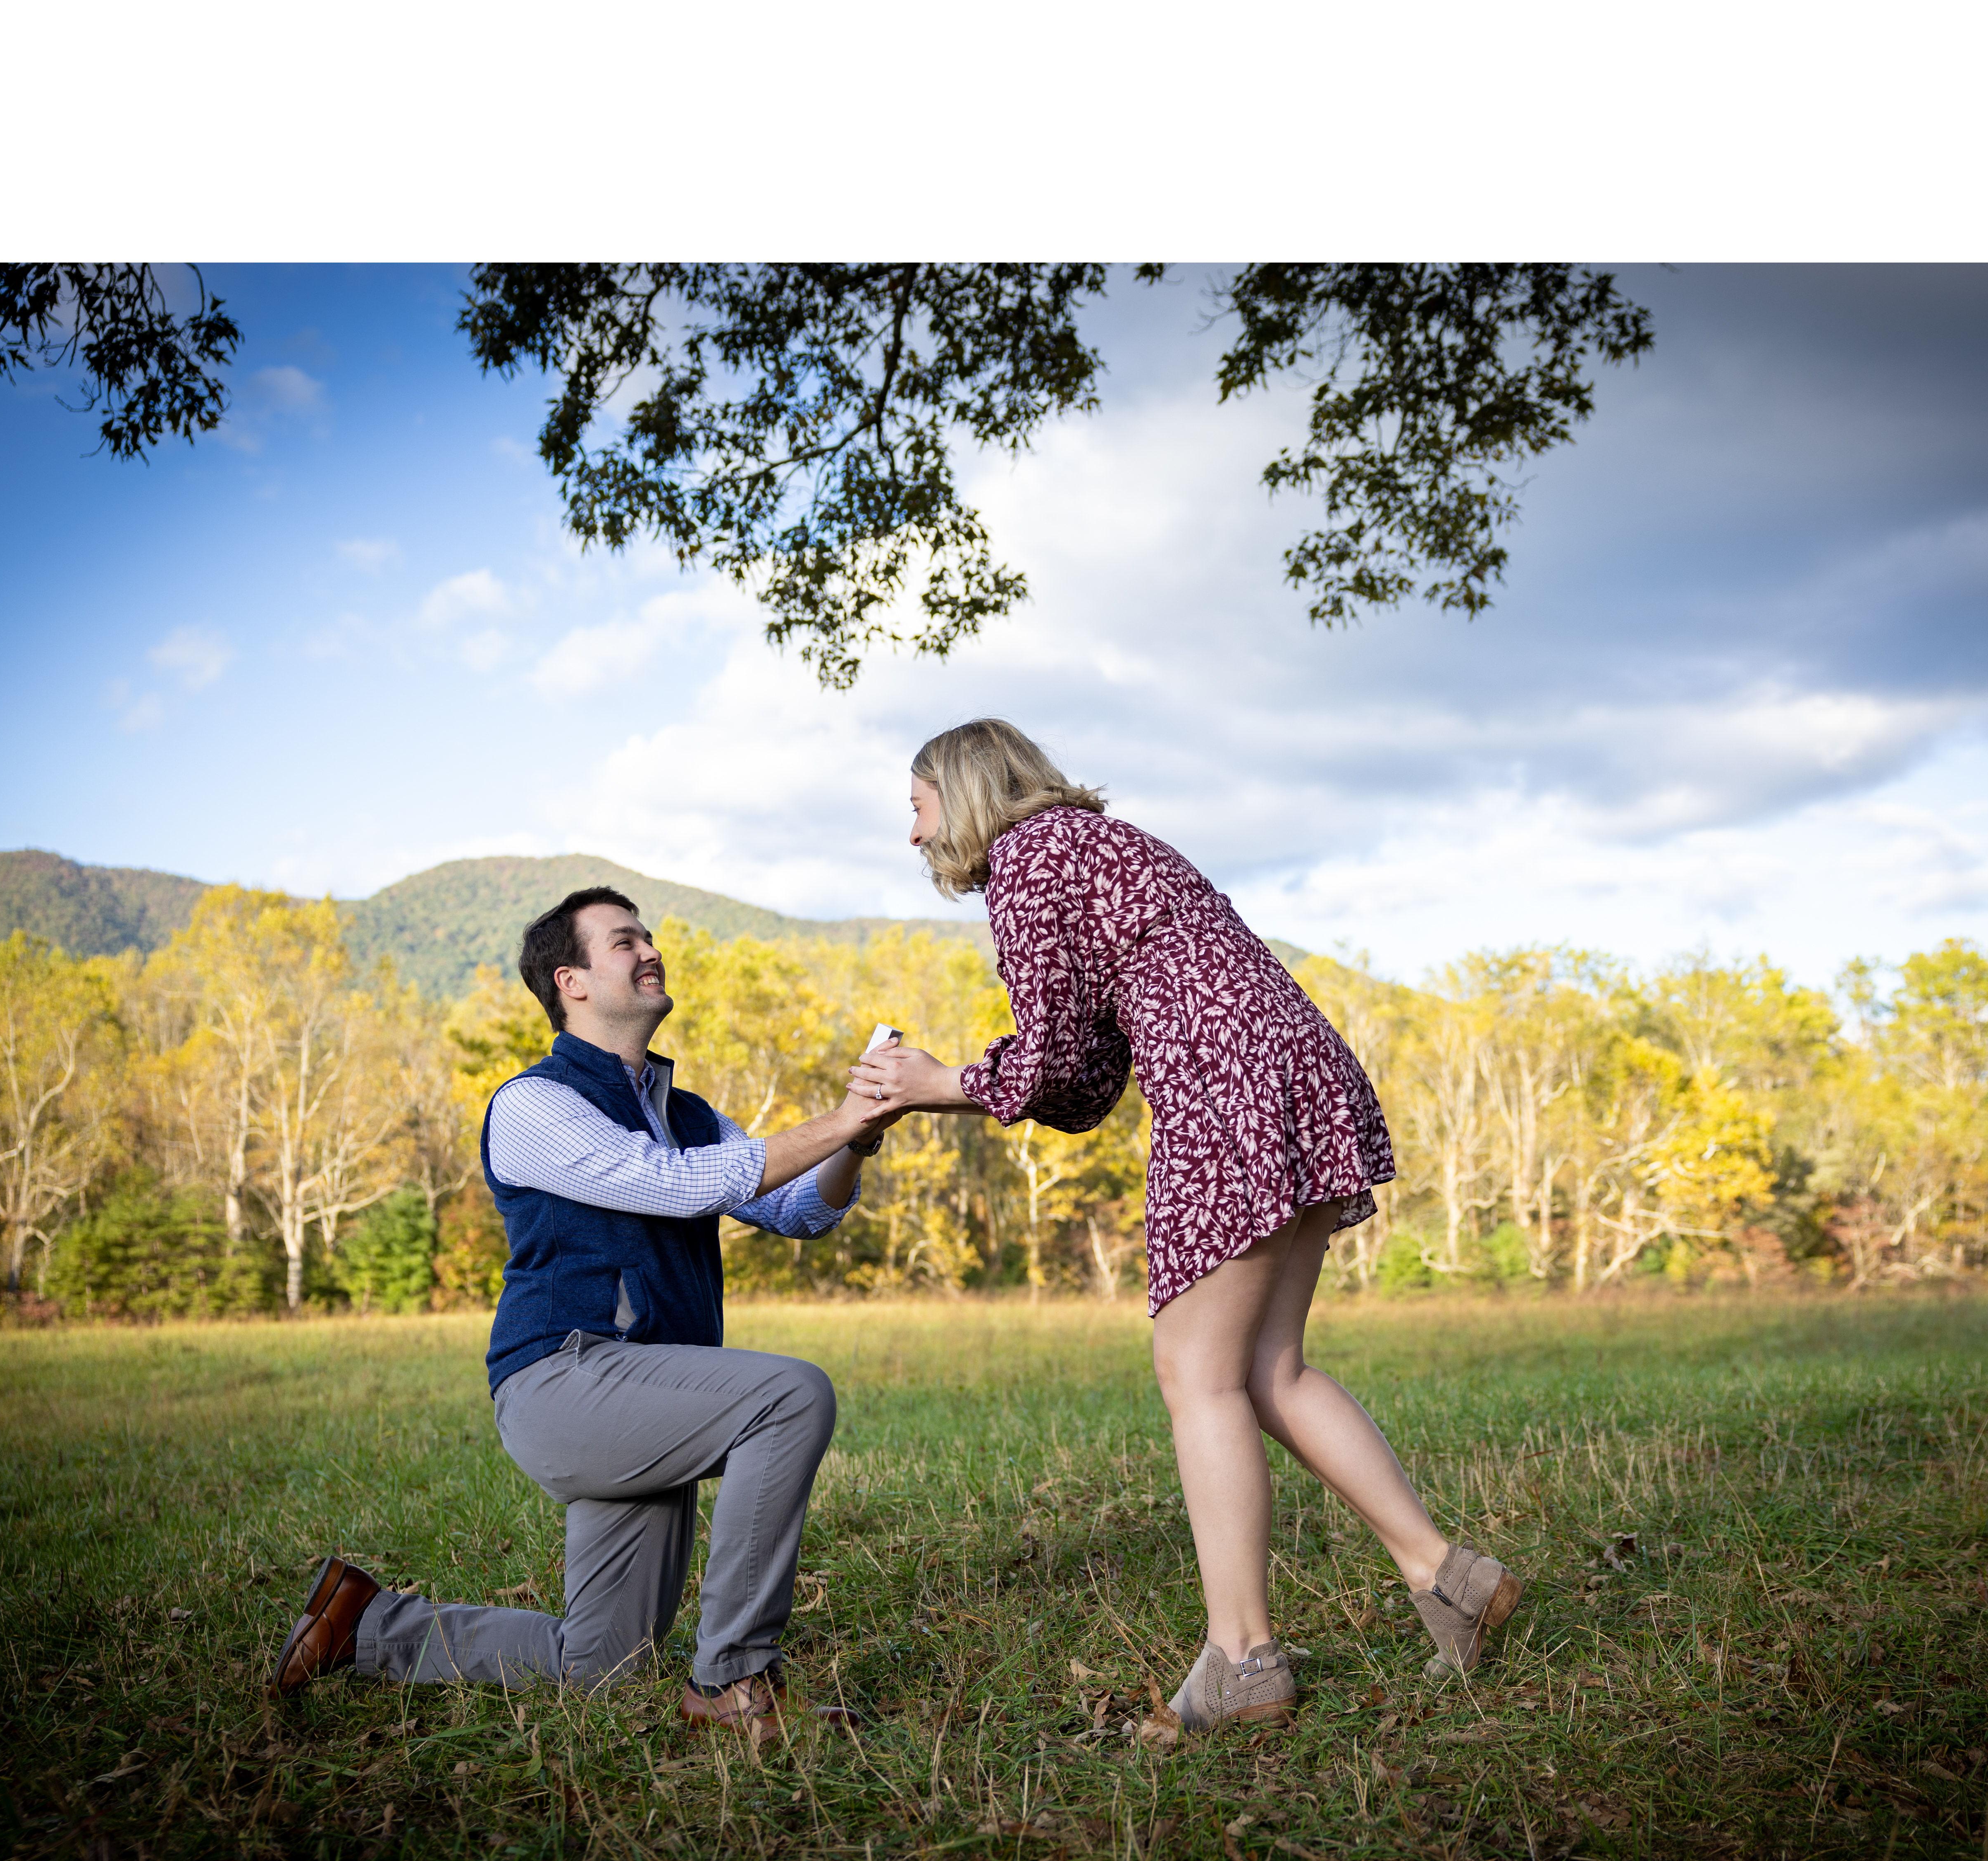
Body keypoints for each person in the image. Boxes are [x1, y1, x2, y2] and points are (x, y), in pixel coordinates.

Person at [852, 719, 1525, 1735]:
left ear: (966, 788)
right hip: (1298, 1068)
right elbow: (1087, 1079)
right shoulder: (1103, 844)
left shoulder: (1028, 860)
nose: (914, 834)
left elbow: (1049, 1060)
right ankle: (1448, 1577)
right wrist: (960, 1085)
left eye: (918, 807)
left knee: (1197, 1376)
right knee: (1270, 1370)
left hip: (1224, 1090)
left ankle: (1243, 1658)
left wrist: (938, 1081)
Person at [270, 887, 888, 1742]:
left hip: (648, 1391)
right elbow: (676, 1186)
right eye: (625, 941)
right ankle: (735, 1680)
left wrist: (857, 1139)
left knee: (602, 1666)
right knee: (790, 1396)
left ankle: (366, 1626)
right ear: (574, 981)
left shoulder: (688, 1114)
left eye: (649, 937)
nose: (651, 951)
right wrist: (841, 1117)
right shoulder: (534, 1104)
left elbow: (801, 1211)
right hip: (563, 1381)